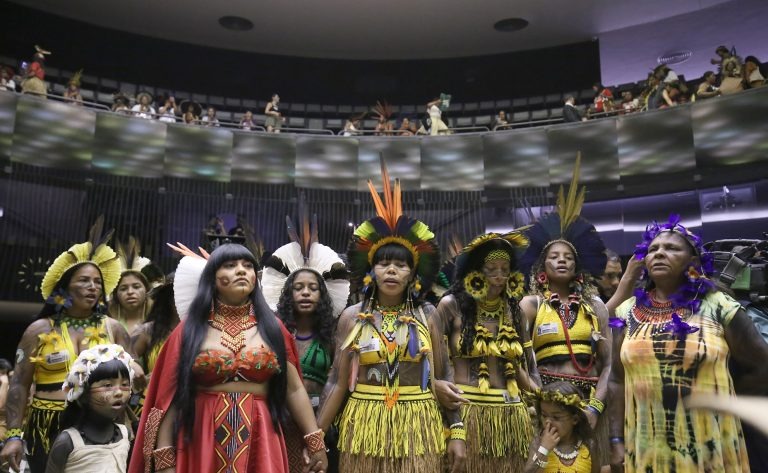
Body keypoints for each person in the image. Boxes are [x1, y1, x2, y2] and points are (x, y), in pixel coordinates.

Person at [129, 243, 327, 473]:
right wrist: (165, 456)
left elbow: (293, 390)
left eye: (248, 266)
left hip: (262, 437)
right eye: (230, 265)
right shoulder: (190, 330)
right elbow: (169, 398)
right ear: (213, 279)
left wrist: (315, 441)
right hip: (200, 438)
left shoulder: (273, 328)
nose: (241, 270)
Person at [316, 159, 456, 472]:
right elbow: (336, 382)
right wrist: (316, 436)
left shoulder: (428, 314)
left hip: (419, 426)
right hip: (363, 427)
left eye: (401, 265)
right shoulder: (352, 316)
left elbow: (444, 374)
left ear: (413, 274)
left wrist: (456, 431)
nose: (391, 270)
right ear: (371, 270)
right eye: (383, 263)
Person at [608, 215, 768, 472]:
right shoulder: (626, 312)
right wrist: (616, 439)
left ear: (693, 262)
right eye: (653, 249)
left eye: (671, 248)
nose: (659, 253)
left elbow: (761, 368)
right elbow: (616, 379)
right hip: (647, 446)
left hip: (710, 444)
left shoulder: (719, 306)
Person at [0, 220, 143, 473]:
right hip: (45, 427)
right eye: (84, 281)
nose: (93, 287)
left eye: (97, 282)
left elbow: (134, 383)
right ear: (65, 286)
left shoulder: (113, 328)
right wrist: (13, 435)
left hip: (101, 427)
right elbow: (19, 384)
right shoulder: (39, 330)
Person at [519, 156, 611, 467]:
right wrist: (543, 401)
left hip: (587, 405)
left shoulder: (595, 306)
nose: (562, 261)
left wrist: (594, 408)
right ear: (541, 266)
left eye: (568, 257)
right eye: (554, 256)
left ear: (577, 266)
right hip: (546, 407)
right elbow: (516, 359)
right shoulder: (531, 305)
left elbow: (608, 365)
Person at [431, 232, 537, 472]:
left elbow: (531, 369)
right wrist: (455, 426)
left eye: (505, 270)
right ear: (475, 272)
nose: (499, 277)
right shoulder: (451, 306)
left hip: (512, 419)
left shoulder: (515, 311)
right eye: (491, 269)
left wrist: (543, 407)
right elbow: (439, 371)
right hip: (464, 414)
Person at [261, 204, 350, 471]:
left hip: (322, 422)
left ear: (323, 295)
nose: (306, 293)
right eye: (298, 288)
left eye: (313, 288)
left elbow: (339, 382)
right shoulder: (273, 333)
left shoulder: (332, 336)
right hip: (279, 422)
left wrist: (321, 428)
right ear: (288, 294)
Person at [45, 345, 134, 473]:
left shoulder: (125, 435)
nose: (119, 392)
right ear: (84, 394)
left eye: (124, 384)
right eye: (108, 385)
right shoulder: (68, 441)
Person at [129, 281, 178, 421]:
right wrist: (134, 366)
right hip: (154, 401)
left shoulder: (205, 330)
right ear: (168, 299)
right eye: (177, 294)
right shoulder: (149, 331)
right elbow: (123, 356)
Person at [524, 381, 598, 473]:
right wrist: (544, 449)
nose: (547, 421)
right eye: (544, 415)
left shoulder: (589, 445)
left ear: (575, 419)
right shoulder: (538, 444)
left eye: (556, 417)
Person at [109, 239, 152, 335]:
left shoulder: (158, 324)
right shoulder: (106, 324)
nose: (130, 292)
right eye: (123, 288)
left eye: (136, 287)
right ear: (116, 295)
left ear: (147, 290)